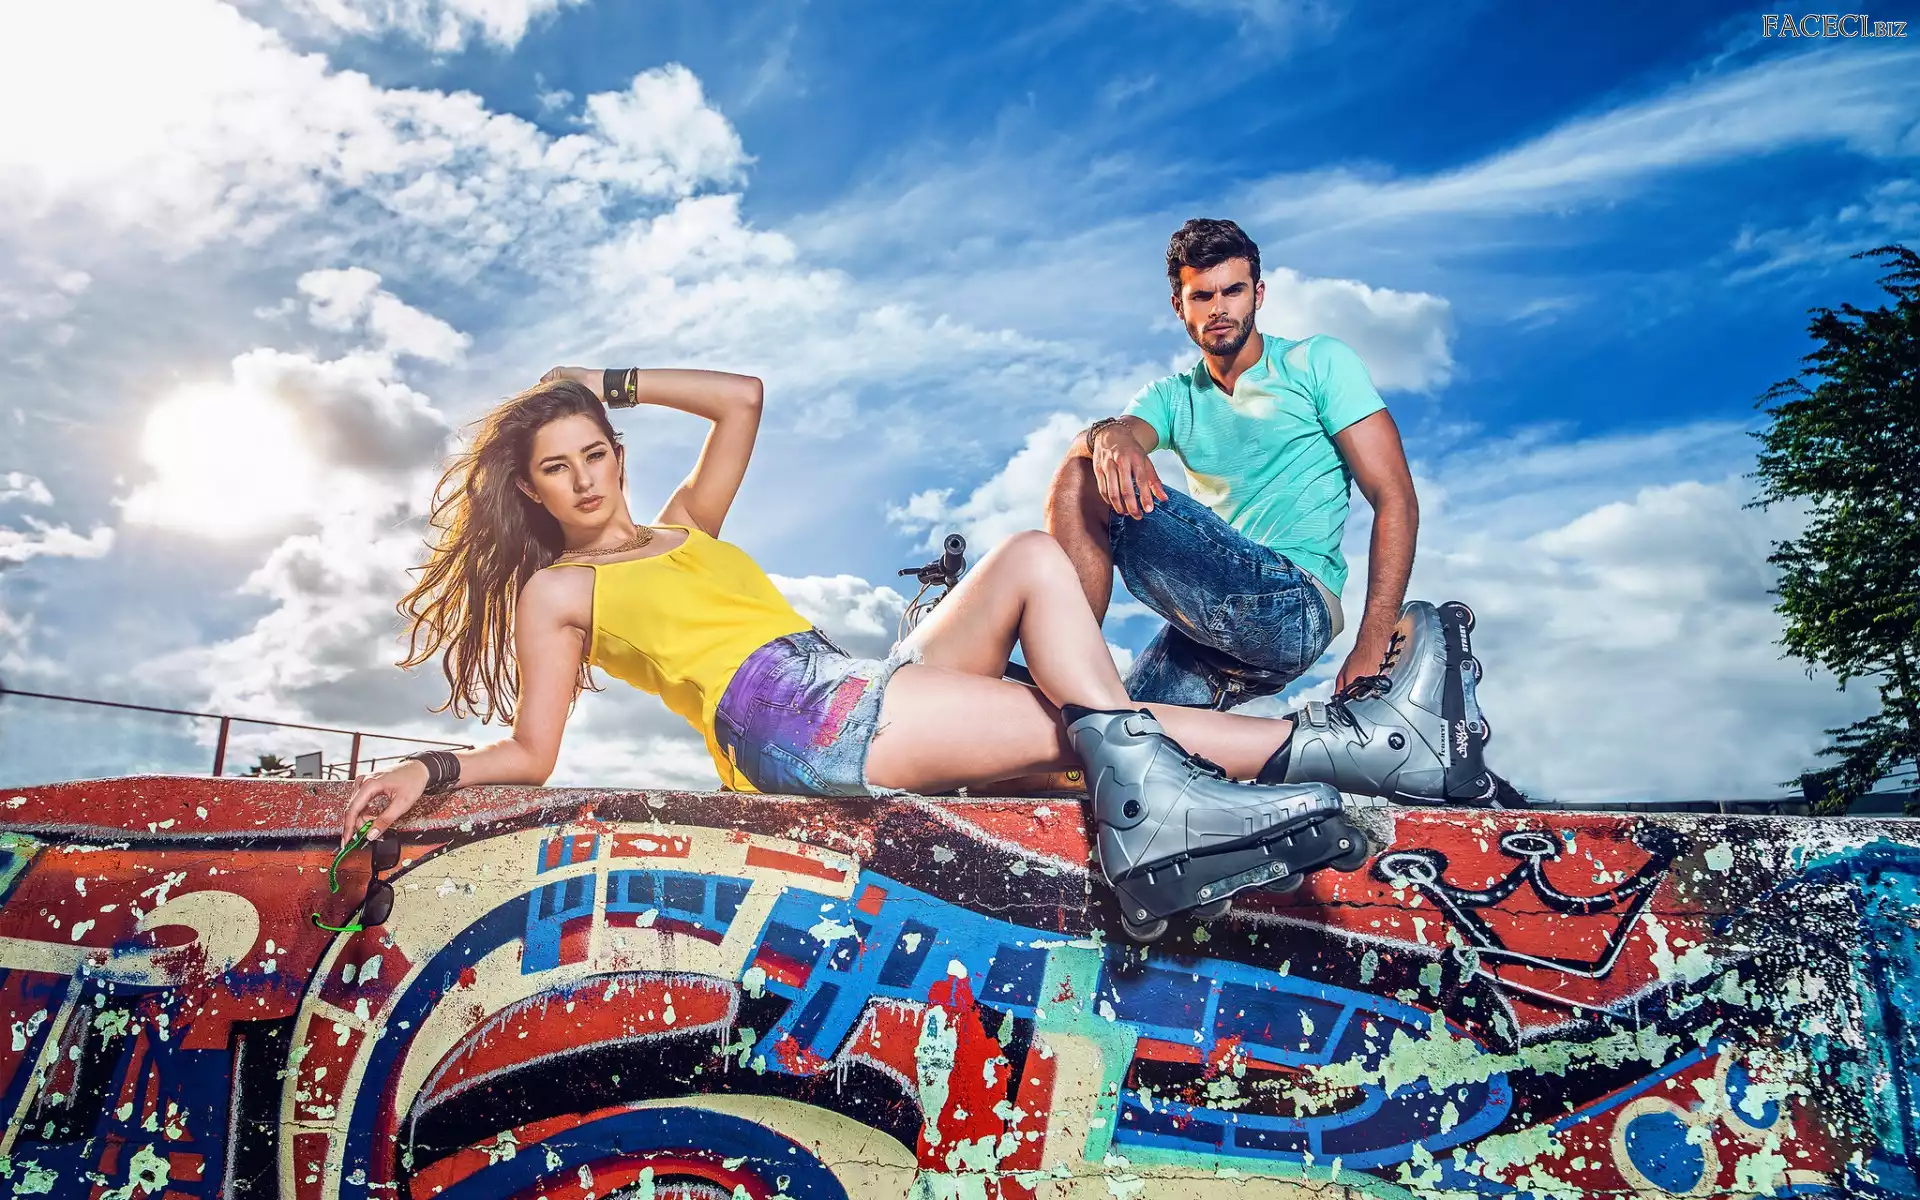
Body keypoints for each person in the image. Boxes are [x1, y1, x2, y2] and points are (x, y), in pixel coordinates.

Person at [336, 367, 1484, 939]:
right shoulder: (557, 588)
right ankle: (1351, 749)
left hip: (846, 678)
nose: (586, 479)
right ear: (532, 492)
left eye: (596, 451)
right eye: (558, 468)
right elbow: (533, 751)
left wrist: (603, 380)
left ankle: (1292, 769)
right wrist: (429, 771)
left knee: (1032, 571)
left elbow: (742, 400)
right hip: (791, 722)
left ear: (618, 452)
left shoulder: (685, 527)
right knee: (1076, 726)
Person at [1046, 217, 1421, 708]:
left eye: (1233, 291)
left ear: (1258, 295)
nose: (1219, 309)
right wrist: (1106, 434)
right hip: (1215, 620)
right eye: (1202, 296)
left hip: (1295, 602)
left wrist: (1373, 642)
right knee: (1108, 731)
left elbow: (1395, 497)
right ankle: (1067, 694)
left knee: (1082, 477)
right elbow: (1104, 442)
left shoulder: (1317, 362)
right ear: (1179, 306)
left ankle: (1065, 671)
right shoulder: (1171, 397)